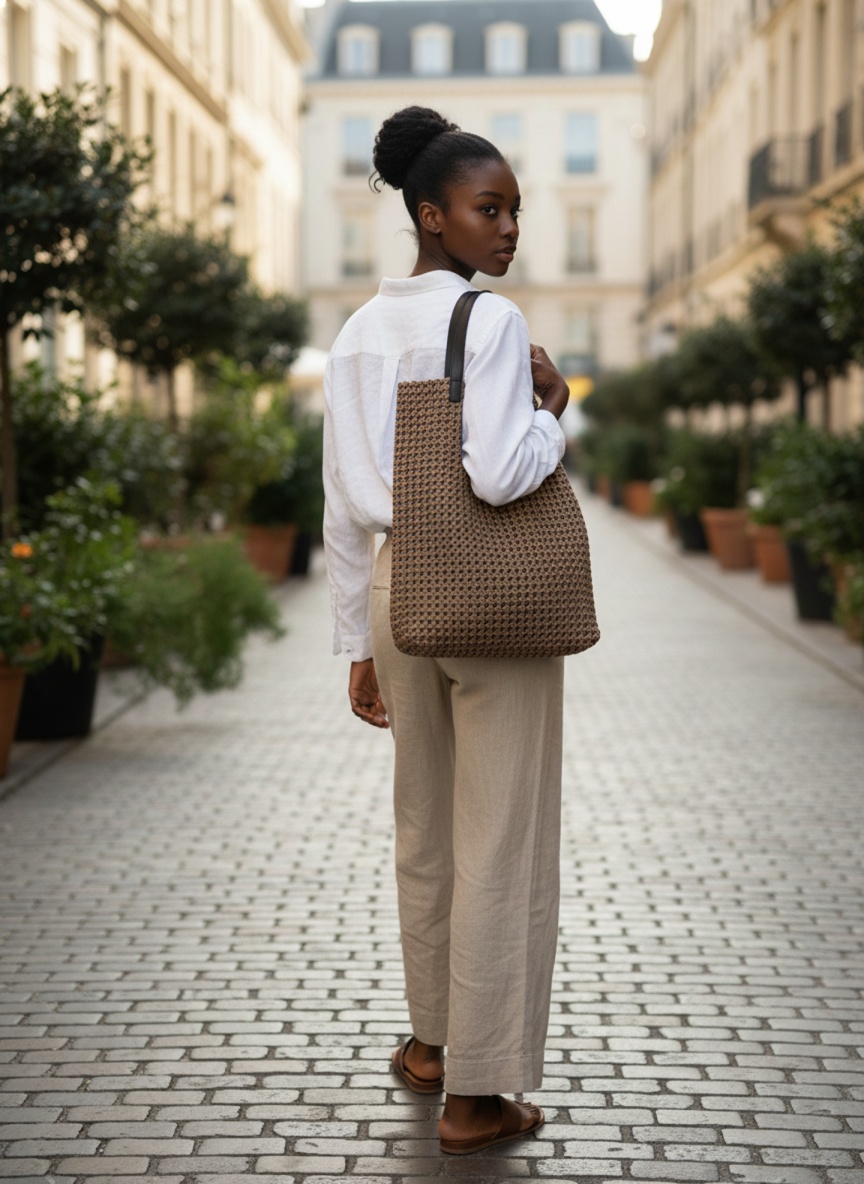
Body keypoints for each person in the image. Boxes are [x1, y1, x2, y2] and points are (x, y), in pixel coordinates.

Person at [322, 106, 572, 1156]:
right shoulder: (492, 322)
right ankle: (477, 1094)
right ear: (431, 215)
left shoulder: (356, 331)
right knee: (499, 837)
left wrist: (356, 644)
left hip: (396, 586)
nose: (508, 228)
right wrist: (560, 410)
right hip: (490, 590)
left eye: (514, 209)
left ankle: (431, 1044)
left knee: (423, 828)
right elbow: (499, 471)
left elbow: (340, 498)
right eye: (488, 207)